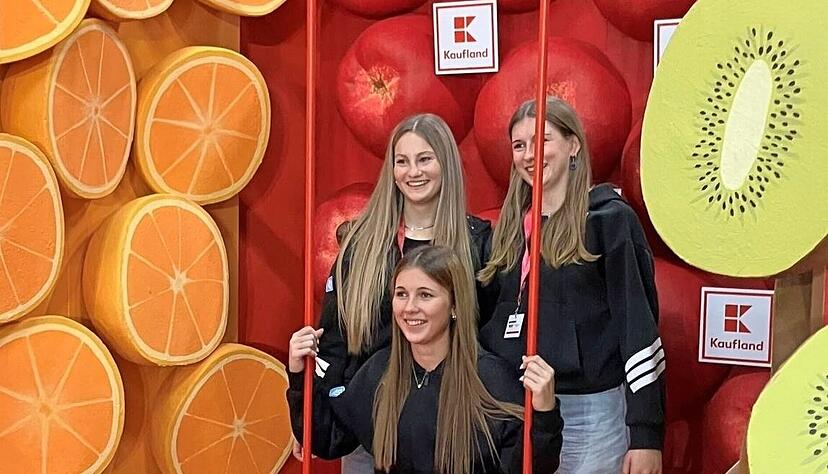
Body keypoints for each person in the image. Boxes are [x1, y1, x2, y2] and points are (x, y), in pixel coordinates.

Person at [477, 97, 665, 474]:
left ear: (573, 144)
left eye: (542, 140)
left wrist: (646, 436)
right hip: (519, 413)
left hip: (592, 416)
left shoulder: (610, 222)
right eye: (519, 145)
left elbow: (639, 331)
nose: (530, 154)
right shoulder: (509, 231)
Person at [307, 113, 495, 472]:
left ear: (446, 165)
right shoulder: (362, 245)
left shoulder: (477, 242)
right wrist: (314, 417)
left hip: (448, 428)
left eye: (425, 159)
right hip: (369, 428)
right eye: (402, 161)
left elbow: (486, 340)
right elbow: (333, 338)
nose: (414, 172)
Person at [287, 245, 563, 473]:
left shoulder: (491, 379)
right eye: (401, 294)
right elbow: (327, 439)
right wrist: (300, 376)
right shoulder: (378, 373)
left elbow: (530, 467)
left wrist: (544, 415)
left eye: (425, 295)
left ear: (454, 304)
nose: (410, 308)